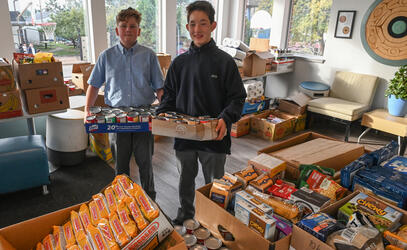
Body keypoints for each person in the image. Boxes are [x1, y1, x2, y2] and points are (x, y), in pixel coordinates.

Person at [157, 1, 246, 224]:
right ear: (187, 27)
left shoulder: (225, 62)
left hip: (214, 136)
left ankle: (215, 220)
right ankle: (186, 213)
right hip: (184, 136)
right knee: (185, 179)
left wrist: (226, 118)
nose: (198, 29)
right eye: (193, 24)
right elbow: (168, 97)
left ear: (213, 25)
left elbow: (238, 98)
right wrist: (161, 116)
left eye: (203, 23)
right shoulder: (179, 64)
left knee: (215, 183)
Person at [85, 7, 164, 200]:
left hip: (144, 117)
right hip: (116, 118)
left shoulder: (149, 55)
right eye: (123, 26)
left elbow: (160, 88)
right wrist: (87, 110)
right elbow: (94, 86)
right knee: (120, 164)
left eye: (132, 26)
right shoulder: (106, 56)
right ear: (117, 31)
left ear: (139, 30)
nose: (127, 29)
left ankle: (150, 200)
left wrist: (168, 112)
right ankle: (123, 200)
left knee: (145, 162)